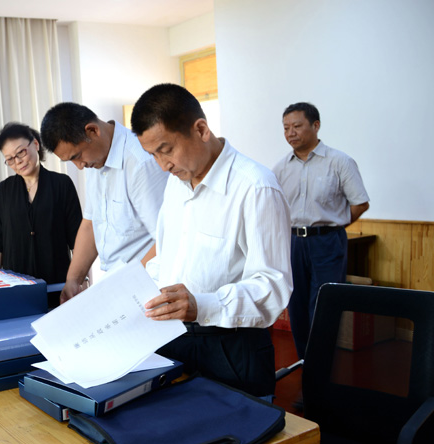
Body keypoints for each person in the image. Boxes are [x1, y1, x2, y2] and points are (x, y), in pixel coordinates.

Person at [130, 84, 292, 398]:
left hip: (232, 347)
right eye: (153, 155)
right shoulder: (175, 184)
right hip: (174, 338)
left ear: (201, 130)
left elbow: (273, 287)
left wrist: (202, 305)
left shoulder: (255, 187)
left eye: (166, 149)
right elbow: (167, 257)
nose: (163, 165)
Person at [40, 103, 168, 304]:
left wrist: (127, 286)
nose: (79, 166)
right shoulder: (95, 161)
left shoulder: (140, 162)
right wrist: (73, 280)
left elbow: (166, 238)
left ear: (92, 131)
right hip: (116, 286)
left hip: (146, 288)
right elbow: (91, 224)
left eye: (77, 156)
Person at [272, 102, 370, 360]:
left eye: (297, 126)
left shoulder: (340, 162)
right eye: (286, 128)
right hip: (292, 243)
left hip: (327, 242)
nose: (290, 133)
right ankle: (305, 364)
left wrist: (333, 226)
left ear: (315, 126)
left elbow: (360, 203)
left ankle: (322, 368)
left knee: (324, 305)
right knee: (296, 305)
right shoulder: (280, 169)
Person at [0, 122, 82, 308]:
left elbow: (78, 241)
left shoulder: (62, 184)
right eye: (10, 159)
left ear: (36, 144)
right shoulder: (3, 191)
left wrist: (81, 281)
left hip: (59, 288)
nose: (18, 161)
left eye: (21, 152)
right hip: (16, 289)